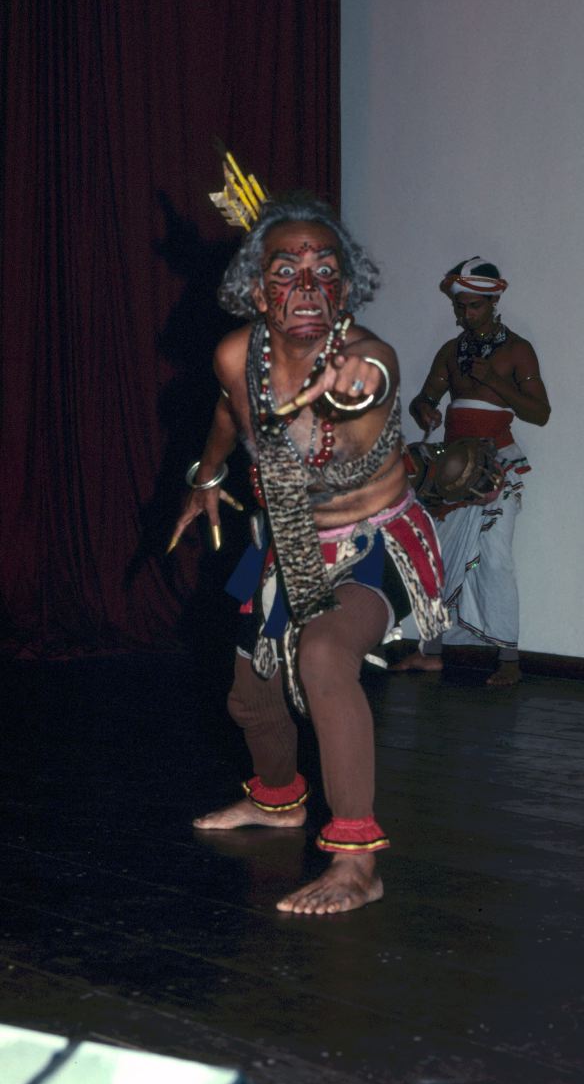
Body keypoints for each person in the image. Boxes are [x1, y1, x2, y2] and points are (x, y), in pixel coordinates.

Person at [169, 192, 448, 913]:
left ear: (345, 291)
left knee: (324, 655)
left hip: (372, 541)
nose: (306, 285)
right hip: (286, 538)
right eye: (286, 270)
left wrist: (356, 383)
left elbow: (369, 380)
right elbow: (232, 410)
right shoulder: (237, 353)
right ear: (257, 290)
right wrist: (205, 475)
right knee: (249, 695)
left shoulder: (364, 357)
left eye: (325, 270)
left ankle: (356, 860)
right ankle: (279, 801)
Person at [393, 257, 551, 686]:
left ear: (494, 301)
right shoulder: (451, 350)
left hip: (495, 465)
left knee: (496, 561)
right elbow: (426, 398)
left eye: (474, 307)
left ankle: (510, 662)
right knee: (436, 556)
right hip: (450, 468)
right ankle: (432, 651)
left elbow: (541, 413)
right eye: (460, 307)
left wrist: (497, 384)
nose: (465, 315)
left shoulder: (518, 350)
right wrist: (424, 410)